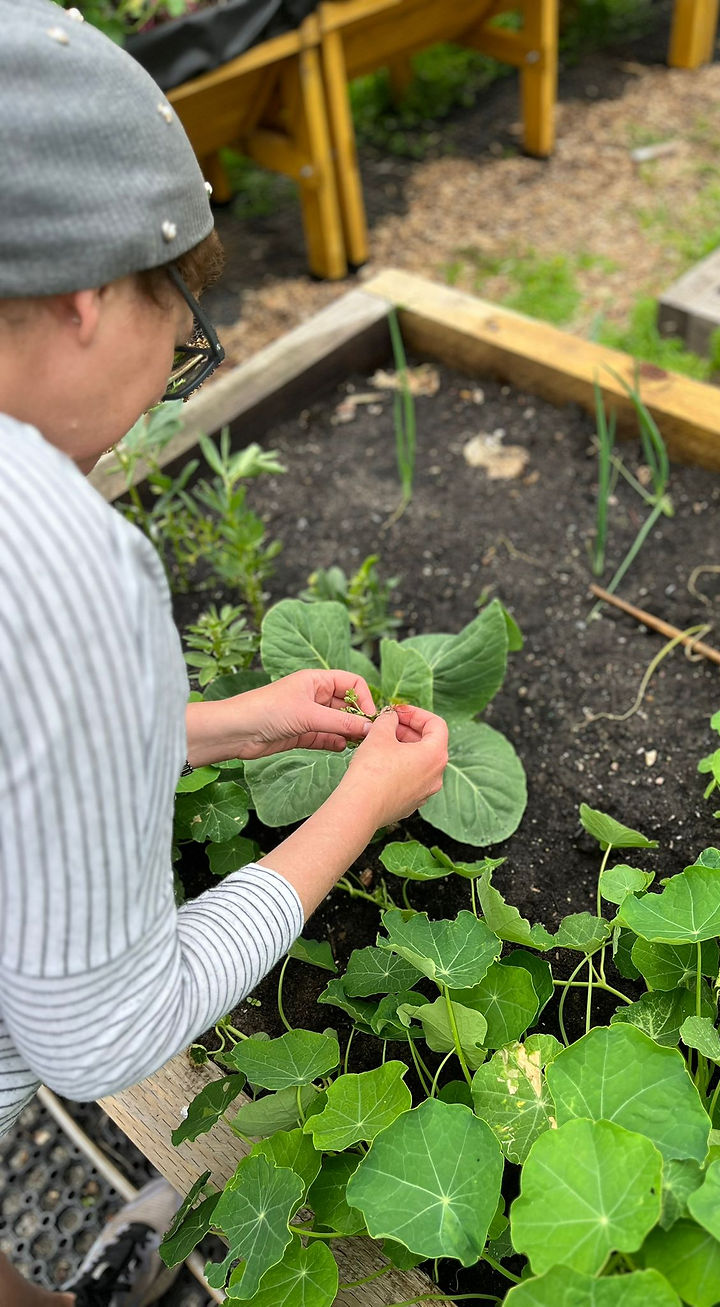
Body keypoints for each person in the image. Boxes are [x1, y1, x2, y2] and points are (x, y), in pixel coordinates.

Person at [0, 3, 450, 1304]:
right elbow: (106, 1030)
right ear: (90, 295)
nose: (167, 382)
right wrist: (358, 808)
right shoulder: (51, 547)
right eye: (178, 332)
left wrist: (221, 722)